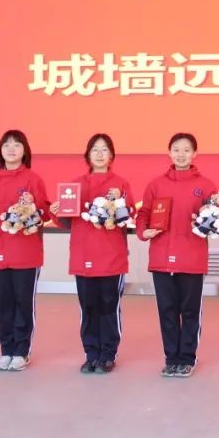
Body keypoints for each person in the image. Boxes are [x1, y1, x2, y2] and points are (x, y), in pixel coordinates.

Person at [135, 133, 218, 379]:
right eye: (176, 150)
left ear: (195, 154)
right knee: (167, 311)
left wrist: (213, 216)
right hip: (161, 259)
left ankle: (187, 358)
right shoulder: (155, 185)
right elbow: (144, 214)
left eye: (186, 150)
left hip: (192, 259)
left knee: (190, 311)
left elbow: (215, 217)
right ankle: (171, 358)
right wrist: (143, 231)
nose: (181, 154)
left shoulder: (206, 185)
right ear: (169, 153)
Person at [50, 133, 131, 374]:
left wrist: (119, 203)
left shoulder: (121, 185)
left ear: (111, 156)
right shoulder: (75, 185)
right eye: (95, 149)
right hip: (82, 256)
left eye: (104, 149)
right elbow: (67, 222)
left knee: (109, 307)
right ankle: (91, 354)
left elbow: (126, 217)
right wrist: (57, 211)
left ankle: (108, 354)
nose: (99, 154)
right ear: (87, 155)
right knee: (88, 308)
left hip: (111, 258)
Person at [0, 130, 52, 372]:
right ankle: (6, 350)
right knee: (3, 304)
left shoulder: (33, 179)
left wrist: (33, 204)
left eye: (16, 145)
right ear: (0, 150)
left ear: (24, 151)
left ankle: (21, 352)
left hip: (25, 252)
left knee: (23, 303)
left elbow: (45, 213)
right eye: (6, 145)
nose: (10, 149)